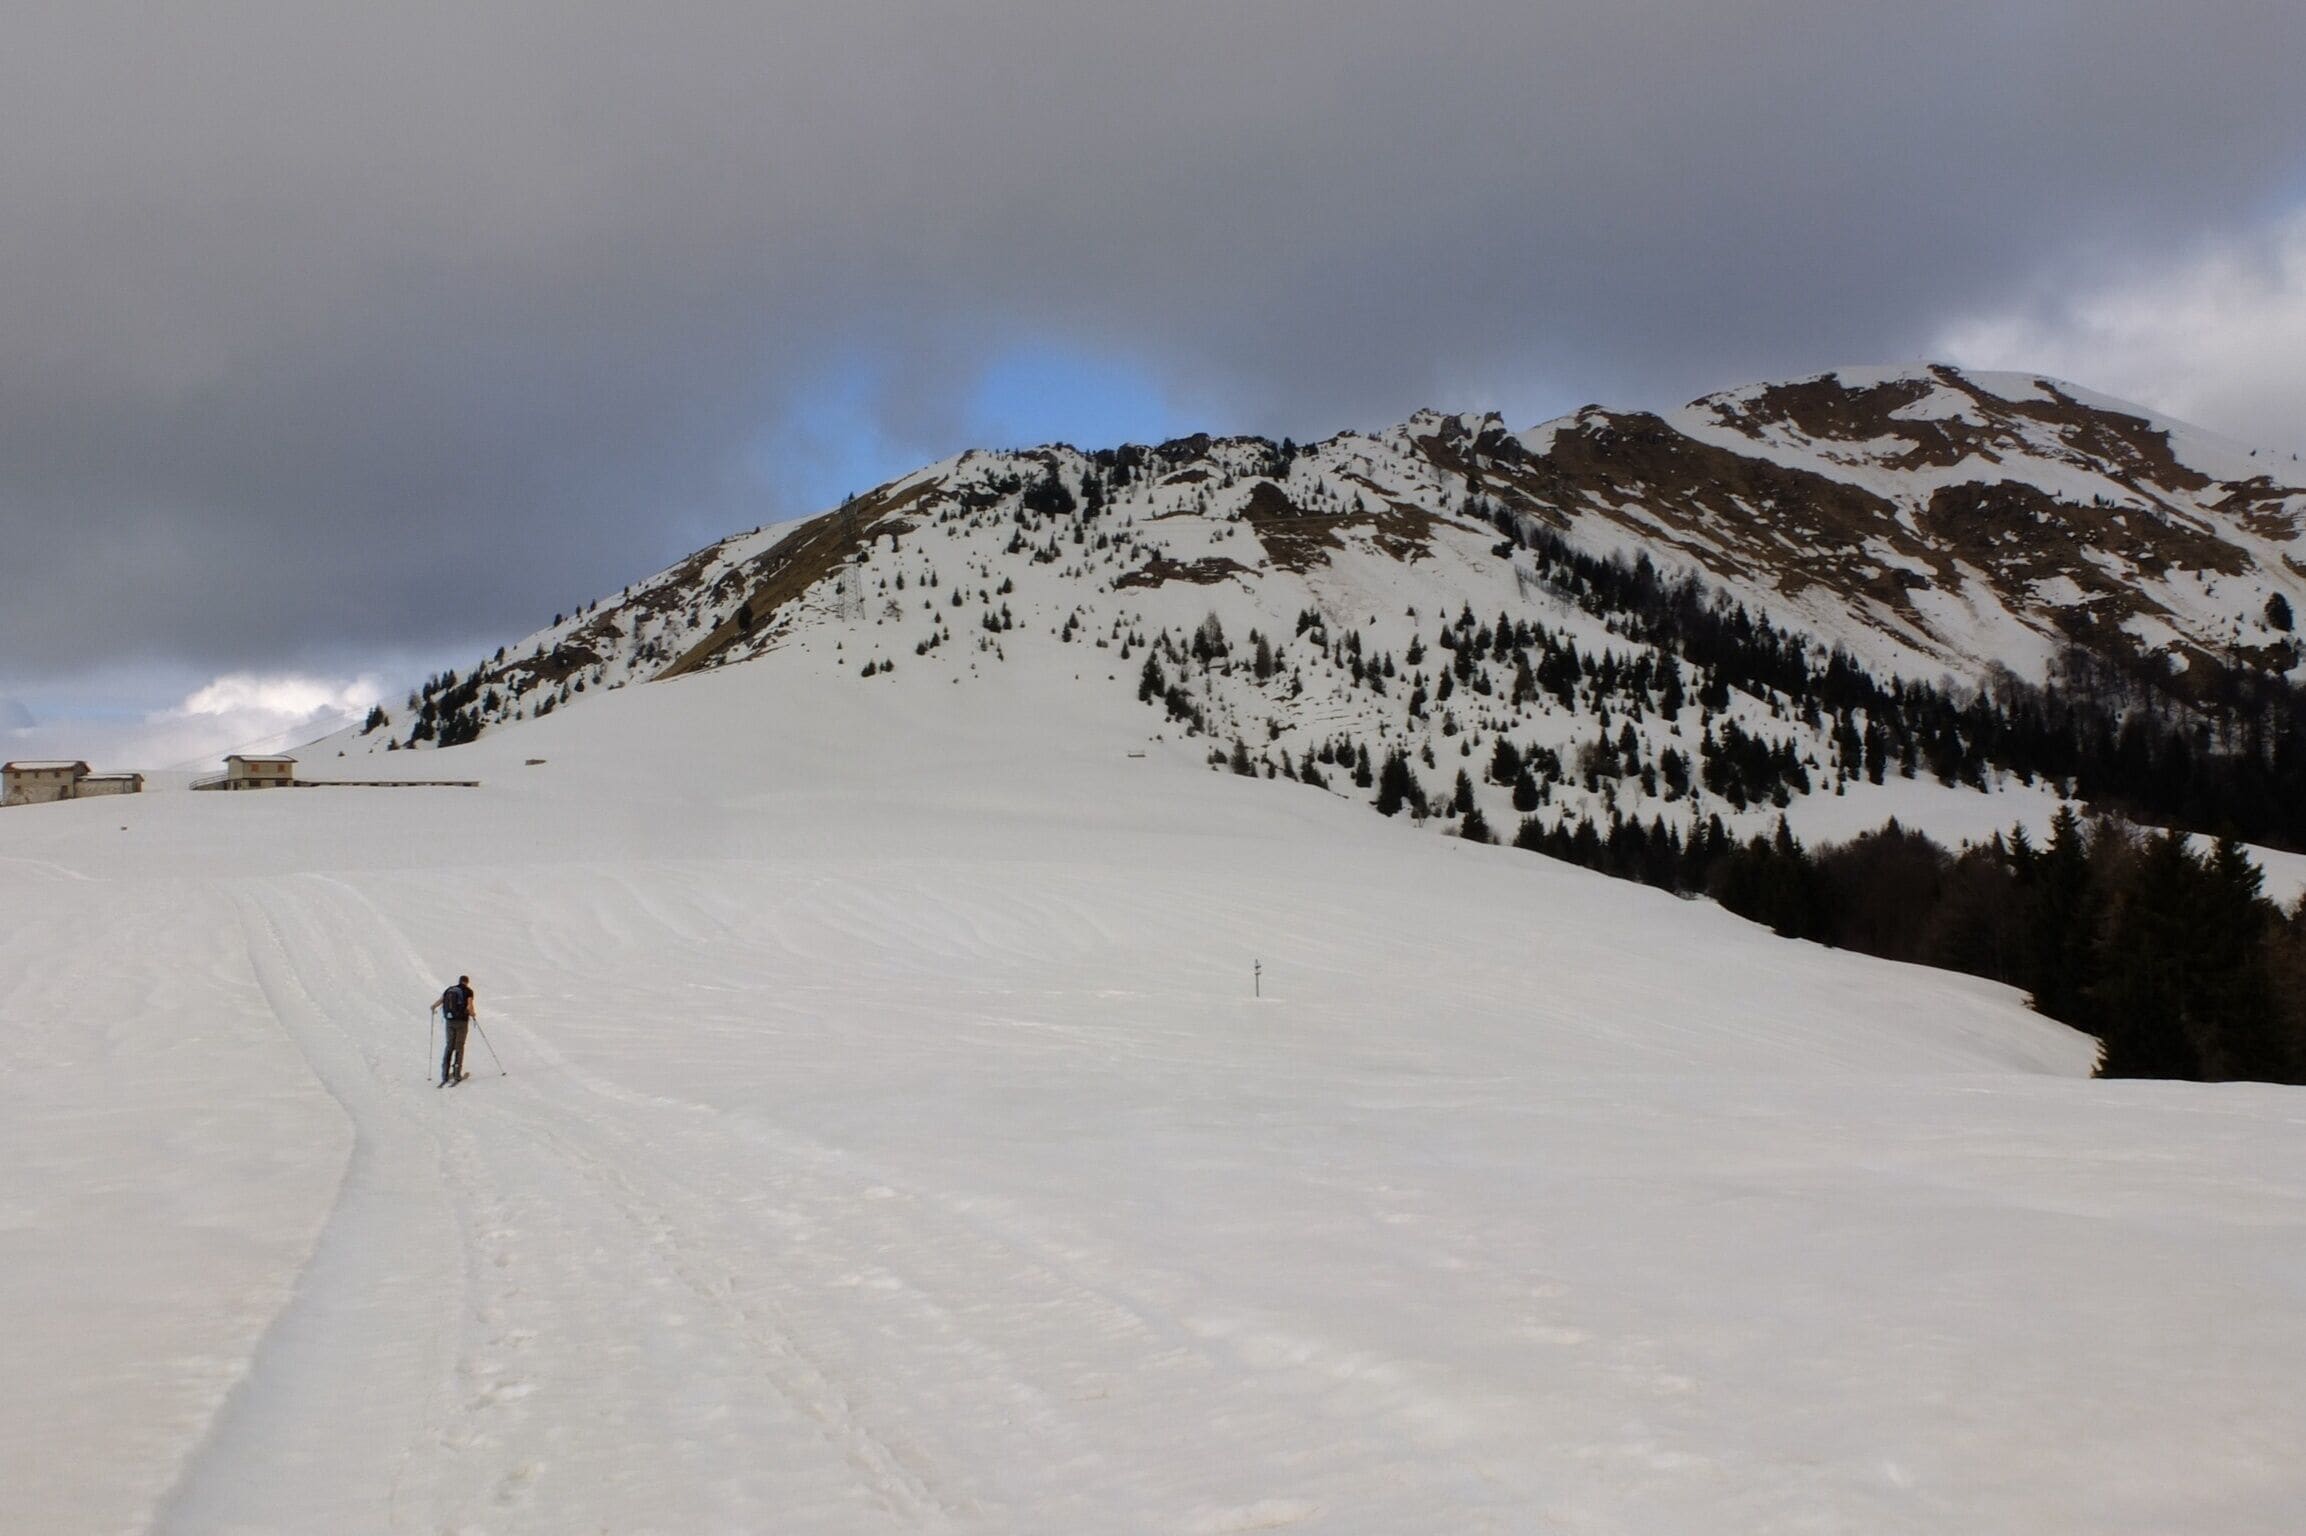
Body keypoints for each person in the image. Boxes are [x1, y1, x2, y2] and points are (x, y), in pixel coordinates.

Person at [431, 975, 476, 1085]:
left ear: (459, 981)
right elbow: (469, 1005)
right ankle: (457, 1074)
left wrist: (433, 1006)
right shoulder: (468, 991)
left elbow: (441, 1001)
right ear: (467, 982)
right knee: (459, 1046)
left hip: (449, 1021)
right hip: (462, 1022)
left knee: (449, 1045)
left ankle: (445, 1075)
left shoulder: (449, 990)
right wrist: (473, 1014)